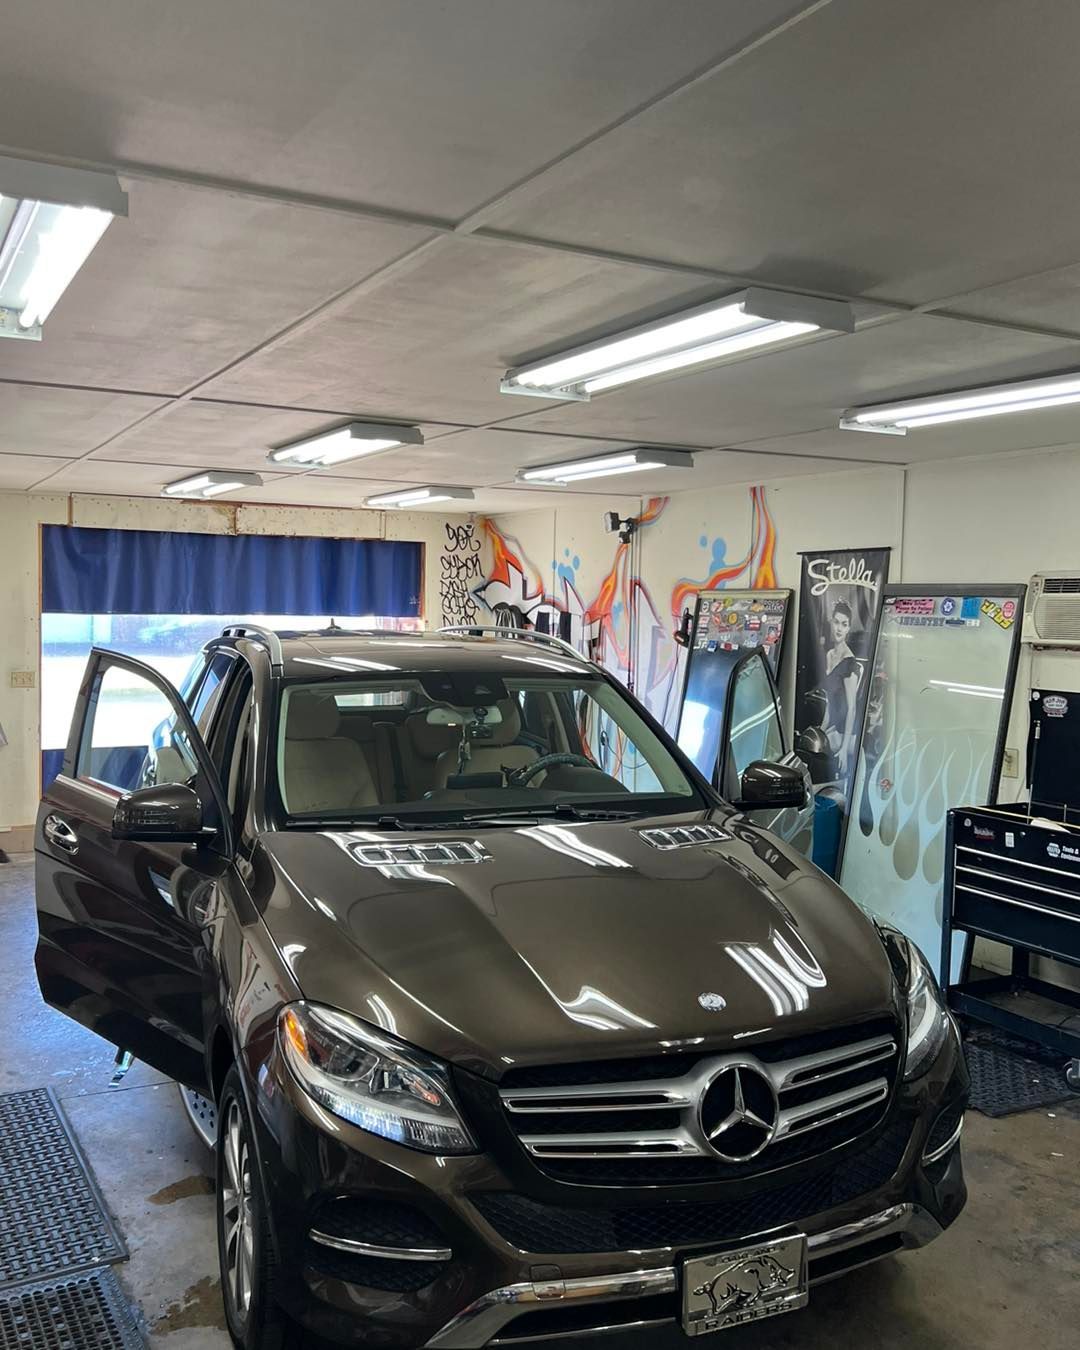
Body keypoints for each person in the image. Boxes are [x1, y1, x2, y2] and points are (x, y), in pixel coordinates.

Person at [820, 599, 862, 779]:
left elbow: (852, 708)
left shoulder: (849, 662)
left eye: (844, 625)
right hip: (834, 727)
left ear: (848, 628)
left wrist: (845, 749)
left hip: (848, 733)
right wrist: (820, 730)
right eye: (836, 622)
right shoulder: (829, 655)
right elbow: (830, 701)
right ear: (832, 622)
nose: (839, 628)